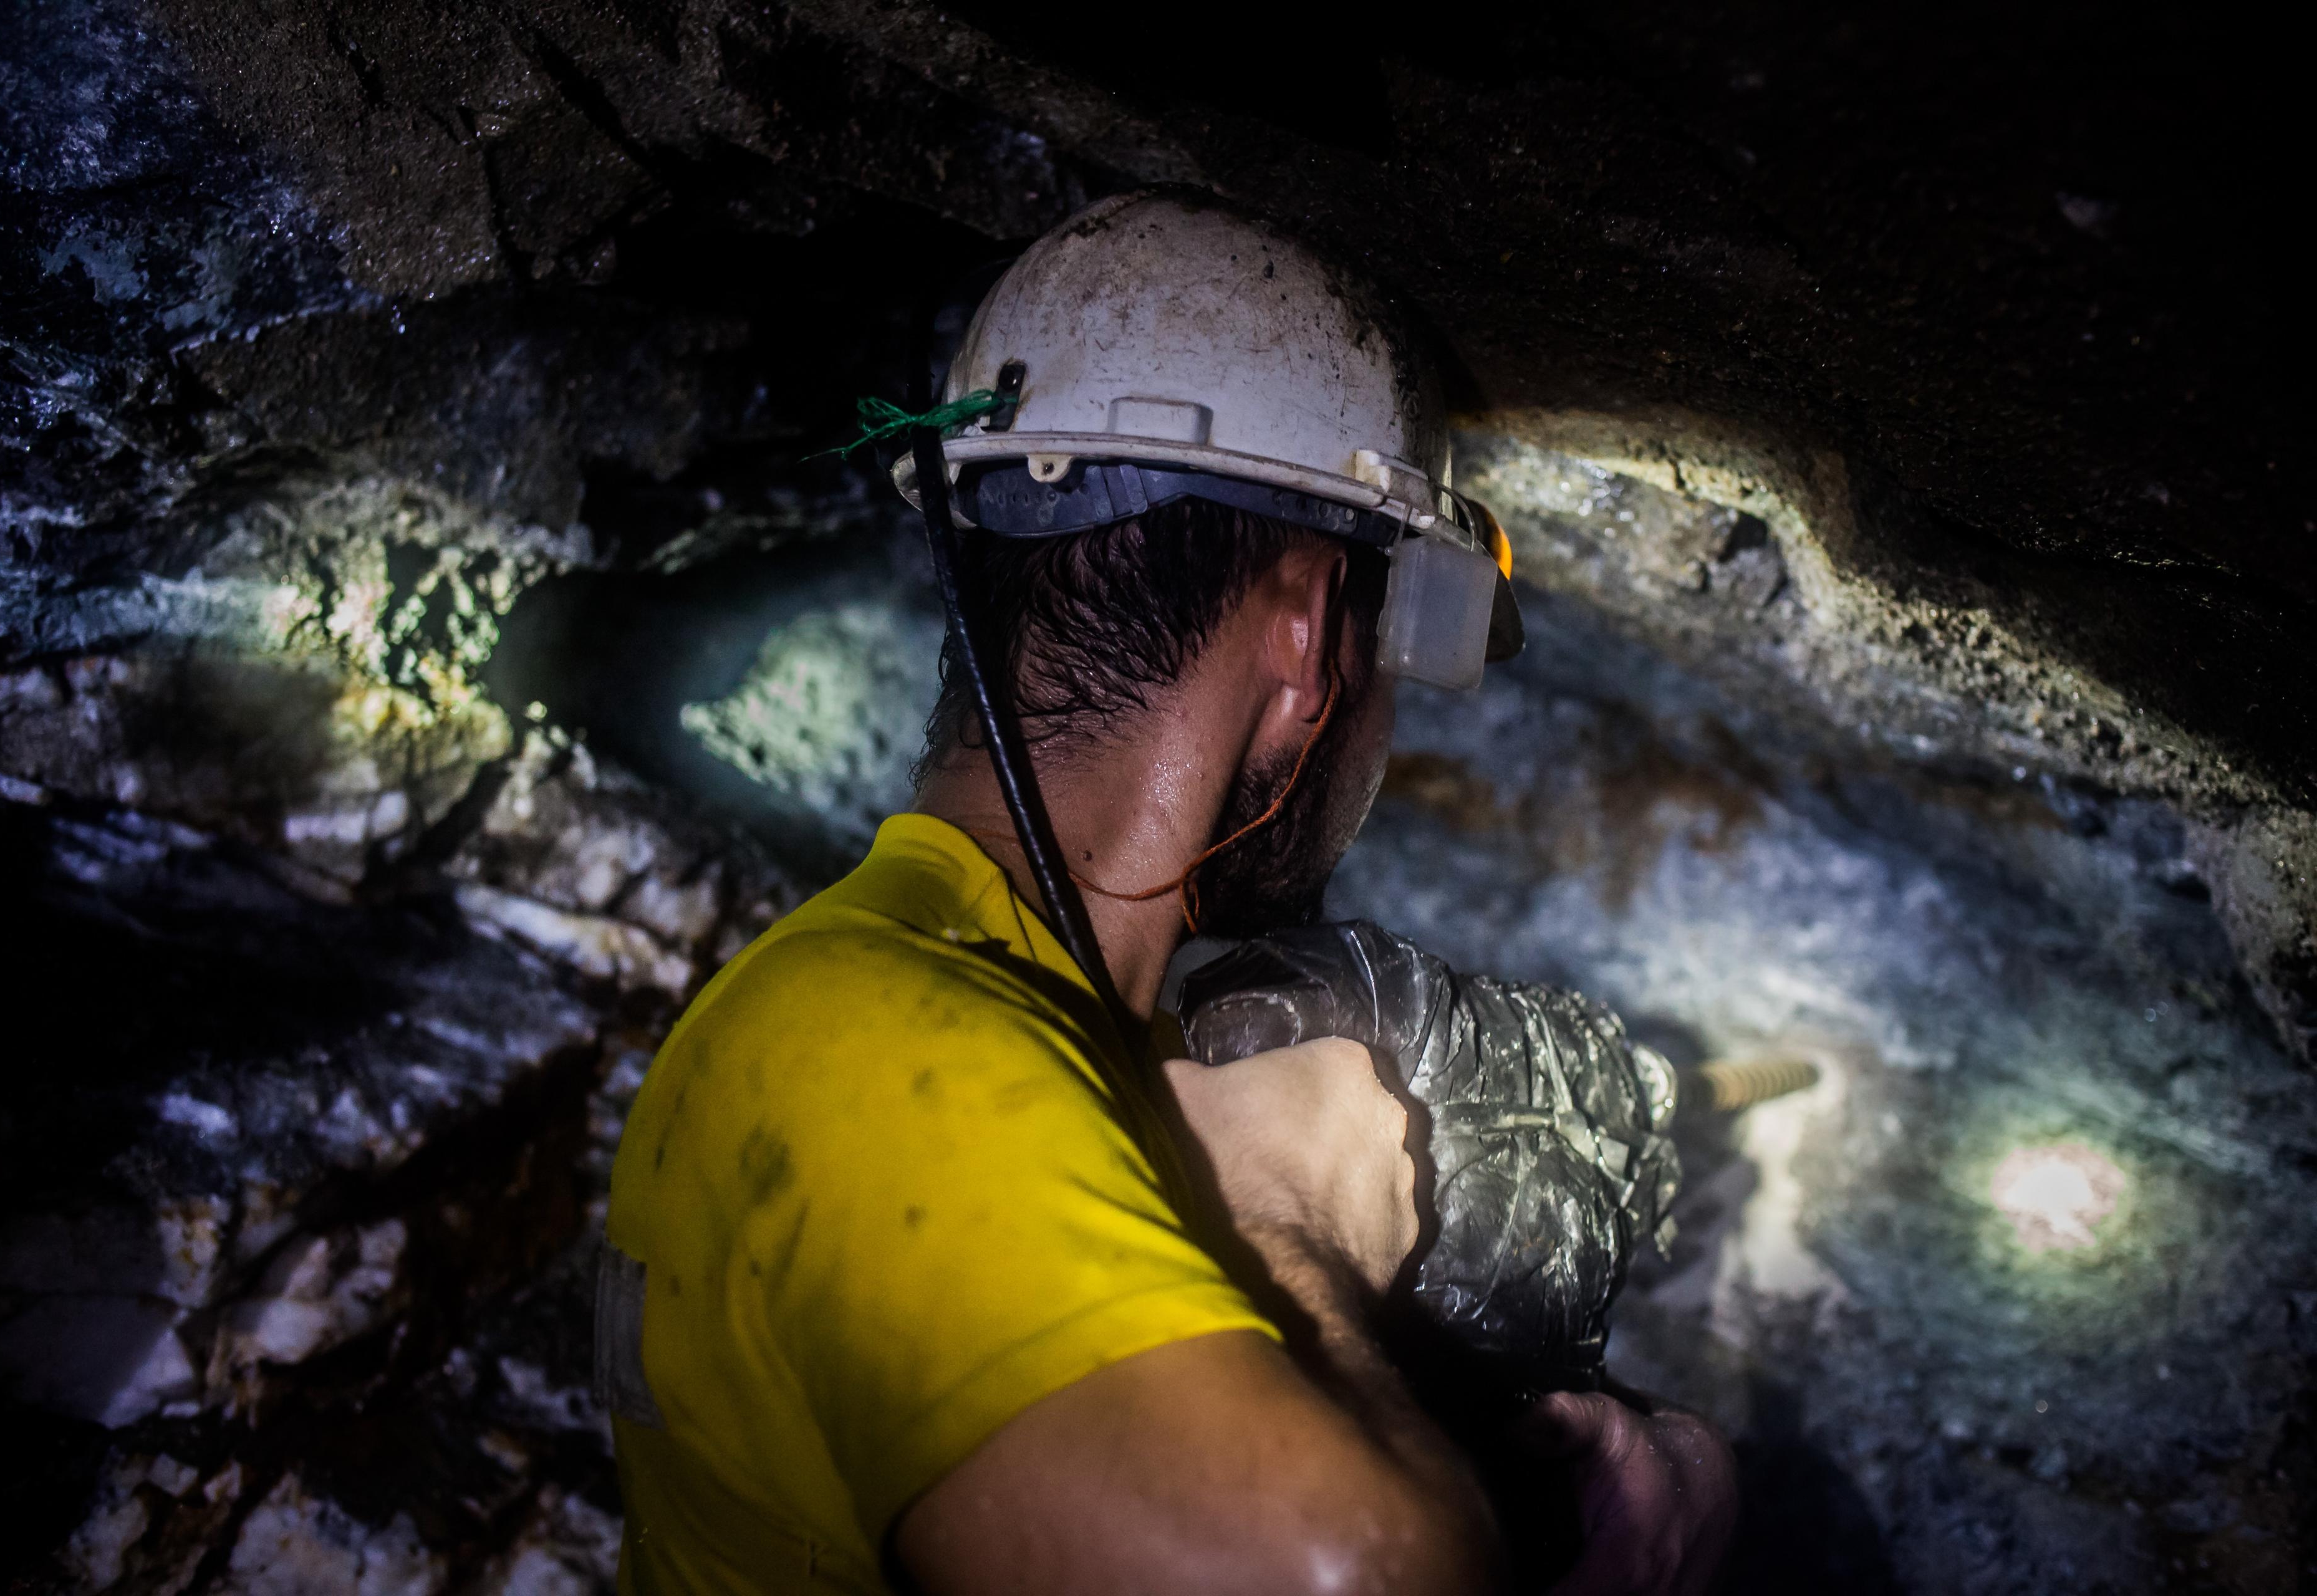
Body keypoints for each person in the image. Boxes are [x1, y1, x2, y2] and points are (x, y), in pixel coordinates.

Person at [600, 191, 1736, 1595]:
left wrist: (1647, 1475)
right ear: (1313, 633)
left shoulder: (955, 1025)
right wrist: (1285, 1213)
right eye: (1403, 644)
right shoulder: (886, 1049)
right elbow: (1348, 1572)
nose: (1382, 726)